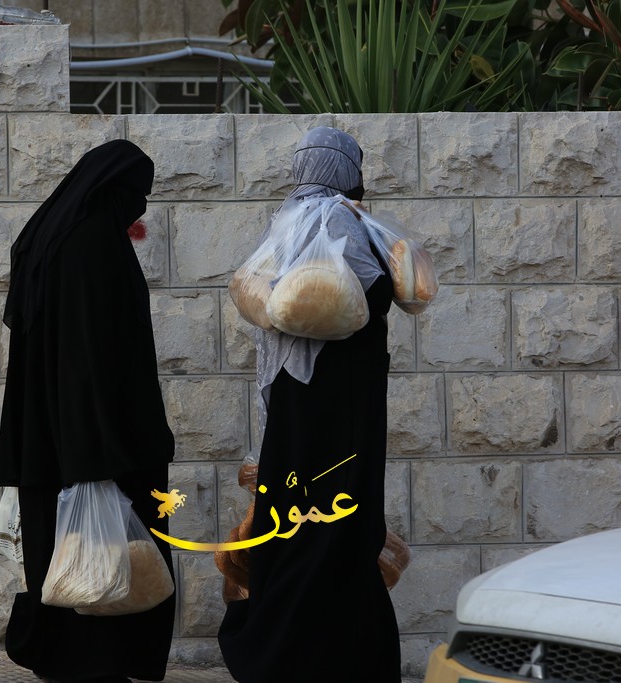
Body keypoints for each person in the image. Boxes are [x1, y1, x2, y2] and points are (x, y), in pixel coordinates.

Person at [218, 127, 402, 682]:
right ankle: (336, 656)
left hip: (293, 400)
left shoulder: (284, 221)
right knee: (339, 525)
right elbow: (375, 293)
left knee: (291, 518)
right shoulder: (343, 221)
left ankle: (275, 647)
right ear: (345, 168)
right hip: (342, 405)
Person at [0, 139, 176, 683]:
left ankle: (62, 657)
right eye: (136, 194)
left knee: (57, 541)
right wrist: (103, 450)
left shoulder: (48, 237)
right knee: (116, 546)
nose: (138, 207)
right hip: (102, 432)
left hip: (48, 431)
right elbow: (94, 355)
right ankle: (104, 660)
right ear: (112, 190)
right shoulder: (93, 245)